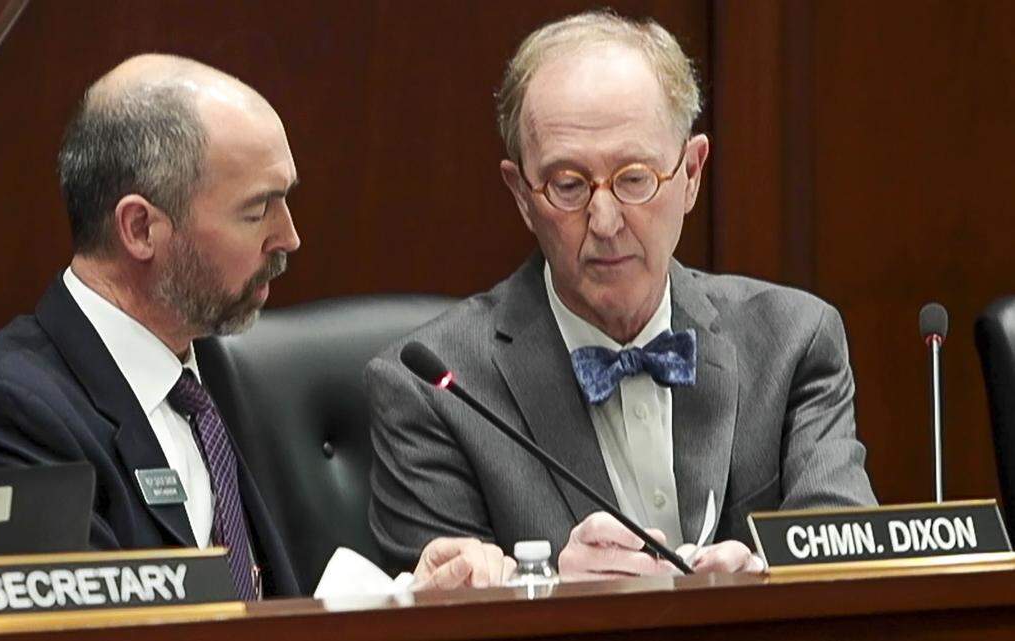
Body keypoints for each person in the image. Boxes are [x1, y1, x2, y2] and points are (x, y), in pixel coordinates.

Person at [0, 54, 513, 597]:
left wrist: (403, 602)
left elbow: (262, 609)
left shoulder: (208, 382)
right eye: (257, 211)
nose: (290, 237)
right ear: (140, 229)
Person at [367, 11, 877, 581]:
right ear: (521, 194)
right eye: (567, 185)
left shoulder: (793, 340)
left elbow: (846, 559)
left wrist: (762, 574)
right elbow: (439, 610)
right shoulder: (436, 388)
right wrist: (555, 592)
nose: (605, 221)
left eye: (635, 178)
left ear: (690, 173)